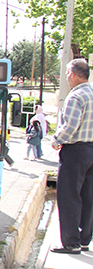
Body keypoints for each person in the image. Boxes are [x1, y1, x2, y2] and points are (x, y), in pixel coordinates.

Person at [51, 58, 93, 254]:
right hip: (92, 151)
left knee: (69, 196)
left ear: (72, 74)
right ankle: (85, 239)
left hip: (76, 151)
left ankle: (71, 242)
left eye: (67, 73)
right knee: (88, 196)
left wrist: (56, 139)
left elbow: (70, 125)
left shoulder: (75, 97)